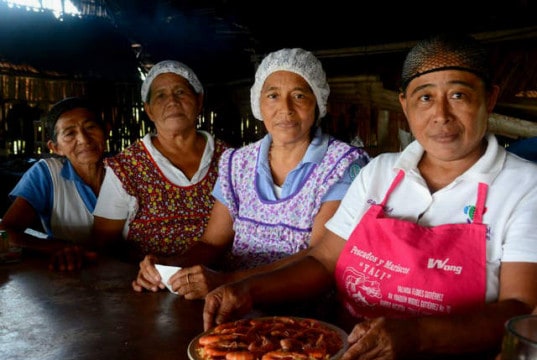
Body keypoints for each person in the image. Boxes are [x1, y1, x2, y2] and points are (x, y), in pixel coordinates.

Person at [202, 33, 537, 359]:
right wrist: (247, 289)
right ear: (404, 104)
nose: (441, 115)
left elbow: (520, 308)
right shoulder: (380, 172)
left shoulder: (524, 186)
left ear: (490, 98)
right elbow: (323, 259)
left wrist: (418, 335)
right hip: (350, 348)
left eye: (459, 96)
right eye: (425, 97)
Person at [131, 48, 371, 299]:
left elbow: (318, 257)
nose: (285, 109)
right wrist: (170, 267)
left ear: (318, 103)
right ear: (259, 103)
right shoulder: (237, 163)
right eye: (273, 96)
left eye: (299, 95)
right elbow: (212, 243)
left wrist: (228, 283)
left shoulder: (343, 165)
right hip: (234, 302)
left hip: (306, 306)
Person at [92, 60, 229, 261]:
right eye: (160, 95)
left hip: (220, 280)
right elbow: (103, 243)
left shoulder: (231, 160)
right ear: (149, 110)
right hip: (149, 283)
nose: (172, 102)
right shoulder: (127, 167)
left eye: (181, 92)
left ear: (199, 101)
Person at [0, 97, 107, 271]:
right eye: (70, 133)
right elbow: (5, 233)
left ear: (106, 130)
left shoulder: (126, 171)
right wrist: (57, 248)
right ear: (55, 147)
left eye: (90, 127)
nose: (84, 139)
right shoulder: (47, 174)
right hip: (71, 278)